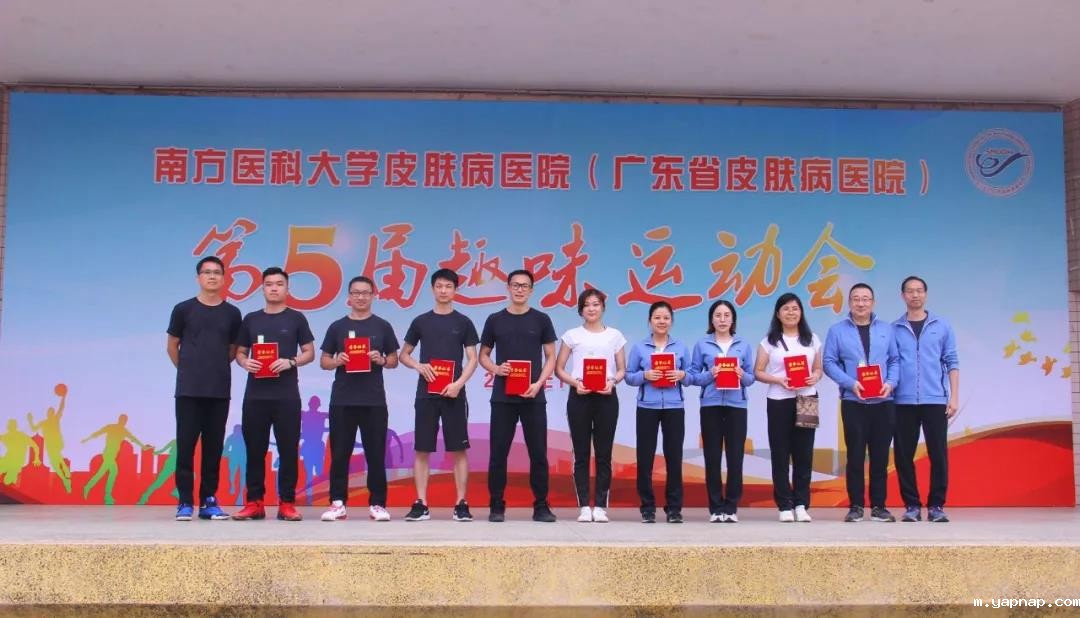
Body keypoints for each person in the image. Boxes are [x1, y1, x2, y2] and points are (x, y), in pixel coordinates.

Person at [232, 267, 315, 521]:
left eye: (279, 284)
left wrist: (291, 362)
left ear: (287, 288)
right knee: (255, 451)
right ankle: (254, 502)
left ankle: (287, 503)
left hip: (286, 396)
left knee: (288, 450)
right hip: (255, 396)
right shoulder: (251, 319)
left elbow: (309, 352)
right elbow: (240, 352)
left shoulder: (296, 318)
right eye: (269, 284)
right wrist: (244, 362)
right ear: (262, 288)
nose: (274, 288)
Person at [398, 269, 480, 522]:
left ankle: (461, 503)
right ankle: (421, 503)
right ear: (433, 289)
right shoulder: (421, 321)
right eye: (439, 286)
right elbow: (403, 354)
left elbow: (473, 359)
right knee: (422, 448)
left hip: (454, 394)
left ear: (455, 290)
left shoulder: (464, 322)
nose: (443, 290)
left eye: (448, 286)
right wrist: (418, 366)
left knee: (459, 449)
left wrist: (458, 384)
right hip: (426, 394)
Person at [479, 270, 559, 523]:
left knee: (538, 453)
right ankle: (496, 504)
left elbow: (551, 357)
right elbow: (483, 355)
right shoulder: (495, 320)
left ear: (531, 290)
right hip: (503, 397)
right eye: (515, 285)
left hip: (533, 396)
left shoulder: (541, 319)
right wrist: (496, 369)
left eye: (525, 286)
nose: (520, 289)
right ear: (508, 288)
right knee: (498, 452)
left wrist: (539, 383)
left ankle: (541, 505)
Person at [166, 256, 242, 521]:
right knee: (186, 446)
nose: (212, 276)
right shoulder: (183, 309)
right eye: (207, 272)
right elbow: (172, 346)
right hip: (188, 391)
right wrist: (189, 369)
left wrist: (213, 368)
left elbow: (232, 349)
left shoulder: (232, 313)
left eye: (217, 272)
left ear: (223, 278)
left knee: (213, 448)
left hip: (218, 391)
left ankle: (209, 500)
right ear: (198, 277)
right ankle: (185, 501)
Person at [319, 275, 400, 522]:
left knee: (375, 454)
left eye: (365, 293)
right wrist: (338, 361)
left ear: (373, 296)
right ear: (349, 297)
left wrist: (381, 359)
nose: (361, 297)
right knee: (340, 454)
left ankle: (377, 503)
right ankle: (338, 503)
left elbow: (394, 360)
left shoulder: (382, 326)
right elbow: (324, 361)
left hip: (373, 400)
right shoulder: (337, 327)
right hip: (342, 400)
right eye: (356, 293)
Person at [823, 283, 899, 523]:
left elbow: (895, 360)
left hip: (883, 402)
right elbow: (828, 362)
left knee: (880, 457)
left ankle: (879, 506)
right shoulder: (837, 331)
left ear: (873, 302)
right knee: (855, 456)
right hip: (853, 401)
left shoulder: (887, 329)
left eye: (866, 299)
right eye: (856, 299)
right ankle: (855, 506)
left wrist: (891, 383)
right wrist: (850, 383)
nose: (861, 303)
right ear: (849, 303)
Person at [553, 288, 626, 523]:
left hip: (606, 397)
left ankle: (601, 506)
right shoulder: (572, 335)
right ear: (580, 310)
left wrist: (612, 381)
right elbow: (559, 368)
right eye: (587, 305)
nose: (591, 309)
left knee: (604, 453)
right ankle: (584, 506)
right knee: (581, 453)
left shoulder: (615, 336)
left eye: (596, 304)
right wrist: (575, 383)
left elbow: (622, 369)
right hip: (580, 397)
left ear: (603, 307)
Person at [892, 276, 959, 523]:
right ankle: (911, 505)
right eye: (910, 291)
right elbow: (890, 363)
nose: (915, 295)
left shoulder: (942, 326)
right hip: (903, 402)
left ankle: (936, 506)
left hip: (935, 400)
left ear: (926, 294)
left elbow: (952, 362)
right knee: (903, 455)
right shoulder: (894, 329)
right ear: (903, 296)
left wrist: (954, 397)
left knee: (938, 454)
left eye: (919, 290)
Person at [753, 292, 823, 523]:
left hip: (807, 398)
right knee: (780, 453)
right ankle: (784, 505)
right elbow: (758, 372)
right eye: (786, 309)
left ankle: (801, 504)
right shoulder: (769, 341)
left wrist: (815, 377)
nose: (791, 313)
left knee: (804, 453)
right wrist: (778, 380)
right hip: (779, 400)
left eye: (795, 308)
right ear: (778, 313)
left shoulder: (812, 339)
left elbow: (819, 369)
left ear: (801, 312)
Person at [624, 301, 692, 524]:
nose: (662, 321)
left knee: (674, 458)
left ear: (671, 321)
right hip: (647, 407)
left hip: (674, 407)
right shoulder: (639, 348)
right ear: (650, 321)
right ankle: (647, 507)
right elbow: (629, 376)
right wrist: (645, 375)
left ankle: (674, 508)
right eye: (657, 318)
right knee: (645, 459)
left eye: (666, 318)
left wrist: (682, 375)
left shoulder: (680, 347)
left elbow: (692, 376)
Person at [688, 300, 755, 522]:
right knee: (712, 457)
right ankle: (716, 508)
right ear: (712, 319)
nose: (722, 319)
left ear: (733, 319)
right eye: (718, 315)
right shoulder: (702, 344)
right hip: (711, 405)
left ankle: (731, 507)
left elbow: (751, 378)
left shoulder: (743, 345)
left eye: (727, 315)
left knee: (735, 457)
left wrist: (741, 374)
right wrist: (711, 374)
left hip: (737, 406)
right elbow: (693, 376)